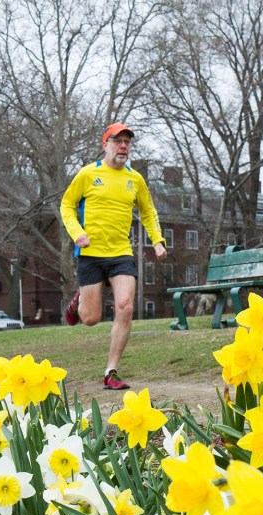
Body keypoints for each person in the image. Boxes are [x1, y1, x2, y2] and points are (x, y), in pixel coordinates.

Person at [59, 122, 168, 390]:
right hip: (90, 254)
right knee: (91, 319)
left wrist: (158, 241)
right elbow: (67, 205)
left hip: (121, 253)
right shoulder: (88, 174)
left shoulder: (135, 180)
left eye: (127, 142)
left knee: (125, 307)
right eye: (117, 141)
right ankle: (79, 301)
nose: (123, 146)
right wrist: (77, 233)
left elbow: (148, 212)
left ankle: (111, 371)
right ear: (105, 144)